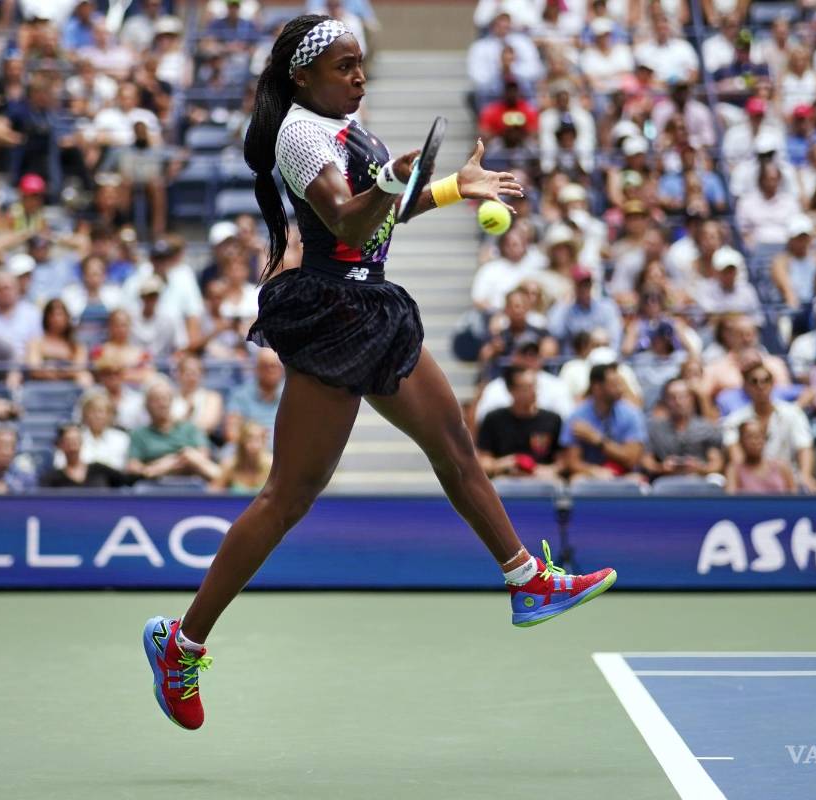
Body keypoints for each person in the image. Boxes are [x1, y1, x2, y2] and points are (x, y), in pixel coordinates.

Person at [141, 16, 616, 734]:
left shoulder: (348, 125)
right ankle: (182, 645)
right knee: (287, 497)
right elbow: (348, 222)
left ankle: (527, 580)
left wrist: (453, 187)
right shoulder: (301, 134)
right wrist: (395, 177)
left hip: (373, 305)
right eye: (344, 66)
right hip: (332, 313)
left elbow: (387, 216)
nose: (358, 75)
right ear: (303, 77)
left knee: (454, 447)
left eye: (361, 63)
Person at [723, 363, 816, 492]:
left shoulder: (793, 413)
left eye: (765, 380)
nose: (760, 386)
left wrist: (805, 475)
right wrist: (757, 478)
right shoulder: (734, 420)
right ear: (746, 387)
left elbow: (804, 446)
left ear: (773, 384)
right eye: (754, 381)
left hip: (789, 480)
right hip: (749, 484)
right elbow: (737, 459)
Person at [560, 363, 646, 481]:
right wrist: (594, 471)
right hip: (591, 474)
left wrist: (597, 439)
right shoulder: (577, 417)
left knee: (637, 481)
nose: (620, 389)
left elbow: (632, 459)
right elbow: (572, 462)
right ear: (597, 388)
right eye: (614, 385)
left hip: (625, 474)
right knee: (577, 480)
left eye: (621, 384)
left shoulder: (631, 414)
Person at [476, 366, 563, 481]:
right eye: (525, 388)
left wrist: (545, 470)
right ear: (511, 390)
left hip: (542, 481)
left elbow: (562, 462)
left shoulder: (553, 419)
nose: (533, 391)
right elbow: (483, 461)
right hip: (504, 480)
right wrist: (505, 464)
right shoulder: (493, 419)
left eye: (534, 386)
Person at [127, 381, 221, 483]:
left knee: (190, 454)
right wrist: (150, 470)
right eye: (156, 400)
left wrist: (170, 462)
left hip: (190, 476)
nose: (162, 404)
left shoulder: (189, 428)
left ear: (172, 402)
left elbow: (202, 456)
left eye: (165, 399)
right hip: (154, 482)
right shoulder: (139, 434)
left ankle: (225, 481)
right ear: (147, 405)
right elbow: (132, 467)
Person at [642, 377, 724, 481]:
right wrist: (661, 467)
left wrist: (699, 468)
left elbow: (716, 464)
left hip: (700, 479)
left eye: (683, 396)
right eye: (672, 397)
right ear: (665, 401)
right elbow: (646, 461)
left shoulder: (707, 428)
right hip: (666, 480)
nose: (678, 401)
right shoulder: (654, 429)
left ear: (692, 399)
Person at [42, 423, 128, 489]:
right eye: (68, 441)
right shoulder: (51, 478)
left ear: (82, 442)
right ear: (60, 445)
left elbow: (126, 480)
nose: (73, 446)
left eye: (76, 440)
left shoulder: (99, 469)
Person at [725, 418, 795, 495]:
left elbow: (795, 498)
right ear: (740, 441)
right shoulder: (734, 470)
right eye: (749, 437)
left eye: (758, 436)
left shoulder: (782, 467)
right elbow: (730, 499)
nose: (754, 442)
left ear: (765, 439)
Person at [209, 420, 272, 493]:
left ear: (264, 441)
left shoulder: (271, 466)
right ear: (241, 442)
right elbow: (213, 493)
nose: (254, 444)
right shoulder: (230, 465)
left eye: (258, 439)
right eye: (249, 439)